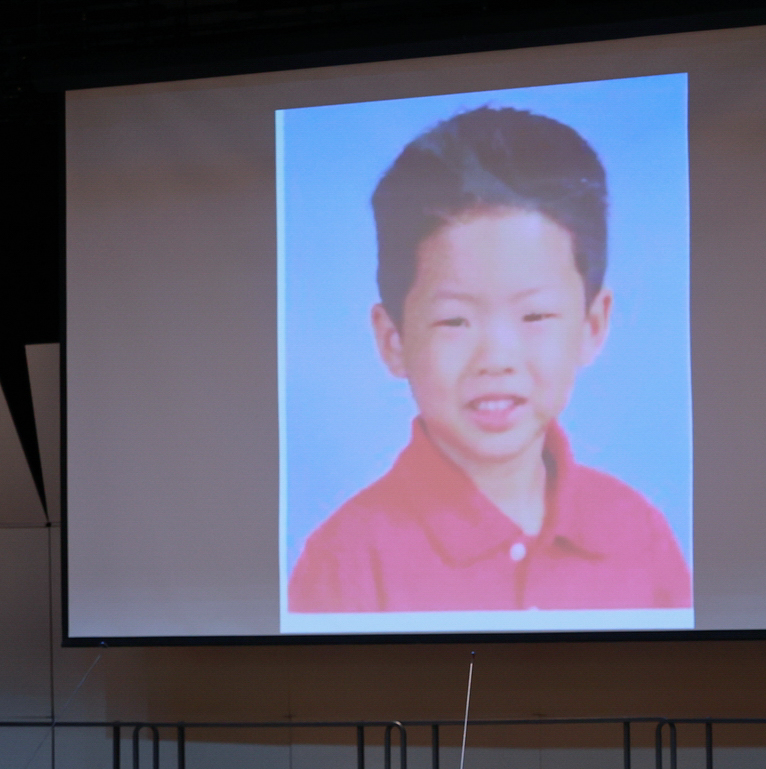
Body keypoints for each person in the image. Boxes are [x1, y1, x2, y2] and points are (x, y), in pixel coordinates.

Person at [286, 104, 691, 615]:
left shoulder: (639, 535)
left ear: (593, 324)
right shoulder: (346, 560)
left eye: (536, 316)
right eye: (455, 321)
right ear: (393, 340)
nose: (496, 358)